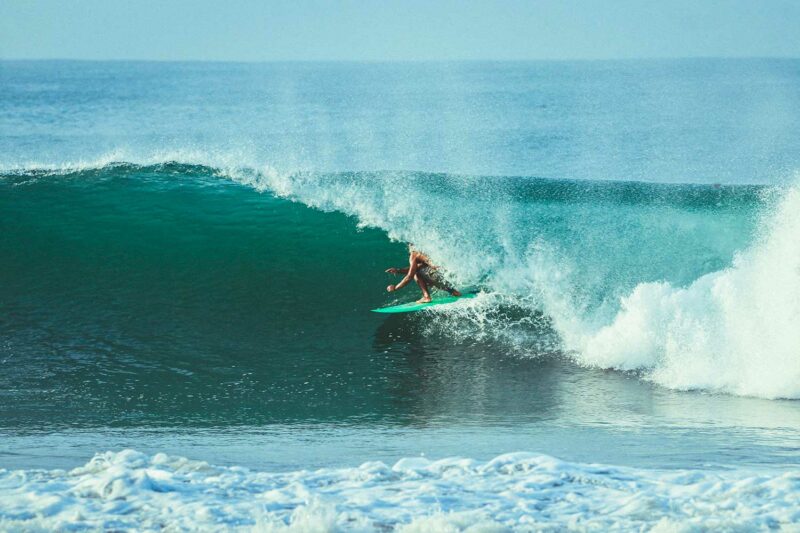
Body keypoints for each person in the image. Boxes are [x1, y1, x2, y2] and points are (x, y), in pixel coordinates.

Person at [385, 245, 462, 303]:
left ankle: (426, 297)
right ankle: (454, 292)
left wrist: (396, 287)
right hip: (447, 275)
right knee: (424, 270)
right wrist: (398, 270)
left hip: (436, 276)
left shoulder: (414, 254)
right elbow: (417, 267)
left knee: (416, 274)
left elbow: (409, 276)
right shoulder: (425, 252)